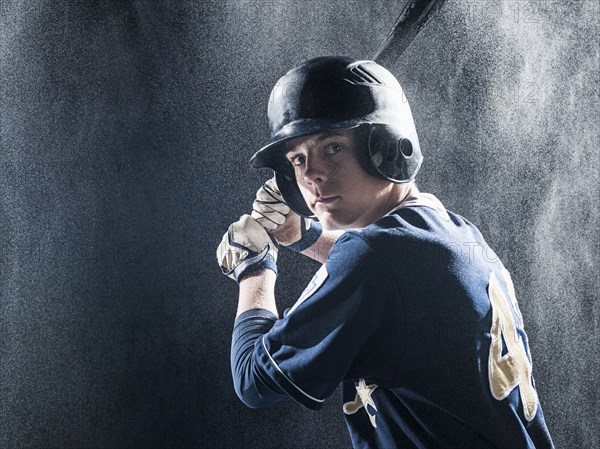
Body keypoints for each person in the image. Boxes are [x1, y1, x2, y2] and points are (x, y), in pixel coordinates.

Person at [216, 56, 554, 448]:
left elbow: (255, 380)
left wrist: (254, 265)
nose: (310, 175)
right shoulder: (455, 233)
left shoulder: (373, 256)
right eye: (298, 159)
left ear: (390, 147)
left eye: (333, 148)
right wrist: (303, 236)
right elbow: (386, 289)